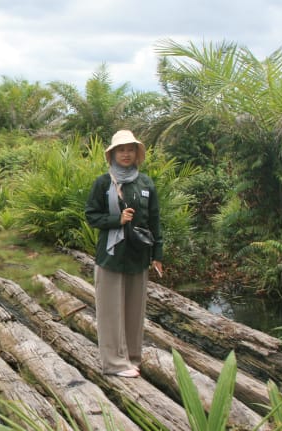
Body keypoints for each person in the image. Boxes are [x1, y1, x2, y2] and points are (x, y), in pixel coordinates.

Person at [84, 129, 163, 378]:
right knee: (110, 311)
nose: (126, 154)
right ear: (113, 154)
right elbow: (91, 215)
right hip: (111, 255)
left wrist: (157, 254)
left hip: (138, 255)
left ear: (136, 153)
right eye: (121, 149)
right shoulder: (103, 182)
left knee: (134, 309)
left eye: (130, 149)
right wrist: (116, 220)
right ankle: (114, 364)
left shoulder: (146, 183)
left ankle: (131, 358)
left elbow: (155, 221)